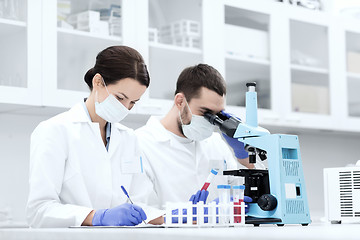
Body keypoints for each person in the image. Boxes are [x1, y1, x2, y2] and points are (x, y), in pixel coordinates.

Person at [26, 46, 152, 228]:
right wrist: (98, 216)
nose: (125, 108)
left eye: (133, 102)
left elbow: (139, 201)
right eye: (120, 98)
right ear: (98, 82)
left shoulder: (129, 139)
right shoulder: (54, 131)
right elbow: (38, 211)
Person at [131, 64, 251, 210]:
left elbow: (248, 194)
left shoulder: (215, 143)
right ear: (180, 101)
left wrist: (245, 158)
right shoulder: (140, 143)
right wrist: (192, 214)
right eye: (205, 112)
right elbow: (141, 212)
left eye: (217, 115)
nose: (211, 121)